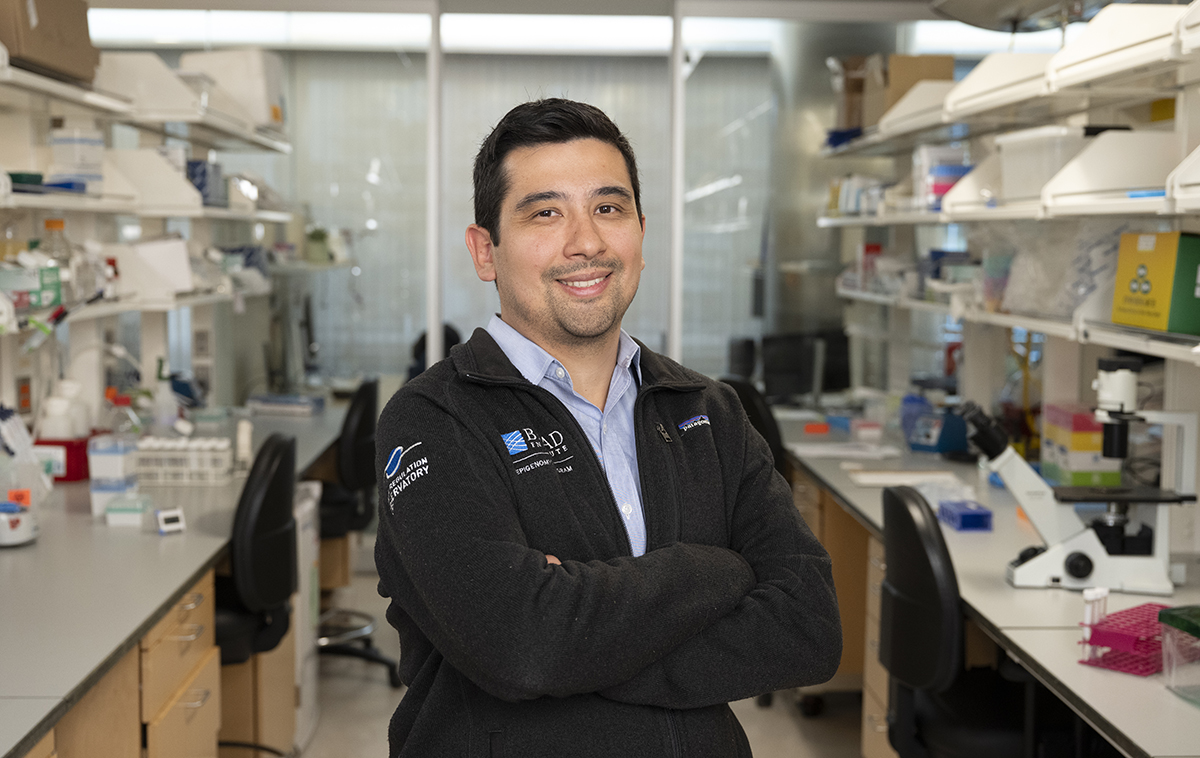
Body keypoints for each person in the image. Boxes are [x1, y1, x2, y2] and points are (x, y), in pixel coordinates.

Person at [374, 98, 841, 757]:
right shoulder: (435, 420)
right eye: (545, 212)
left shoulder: (707, 411)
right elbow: (521, 647)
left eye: (608, 208)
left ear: (640, 235)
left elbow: (808, 627)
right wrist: (714, 572)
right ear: (486, 250)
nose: (586, 242)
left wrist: (579, 648)